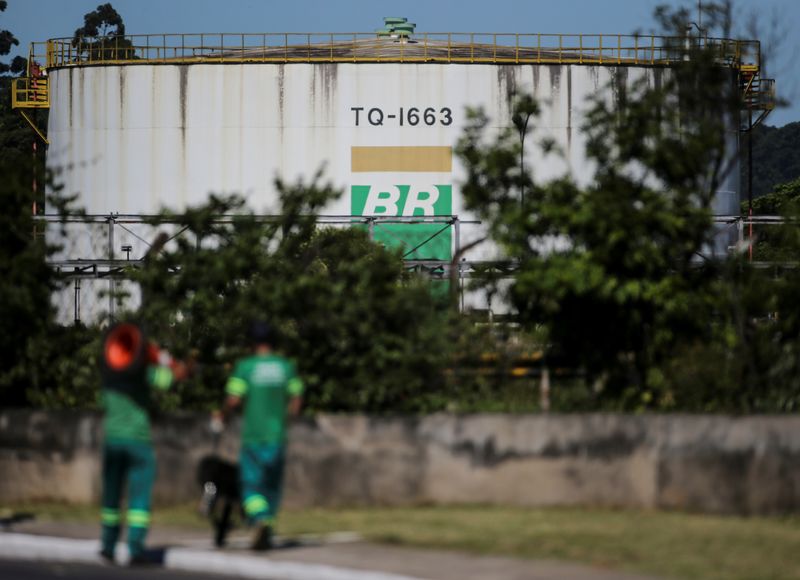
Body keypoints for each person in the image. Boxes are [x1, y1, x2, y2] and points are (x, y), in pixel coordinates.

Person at [99, 321, 189, 564]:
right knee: (139, 499)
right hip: (138, 441)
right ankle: (135, 548)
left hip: (112, 440)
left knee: (111, 496)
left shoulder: (108, 376)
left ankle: (108, 545)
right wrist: (167, 361)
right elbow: (174, 377)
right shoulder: (144, 375)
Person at [213, 320, 304, 550]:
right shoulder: (285, 366)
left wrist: (223, 415)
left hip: (254, 437)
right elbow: (296, 398)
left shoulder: (245, 367)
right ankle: (267, 532)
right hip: (277, 437)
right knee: (271, 489)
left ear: (252, 343)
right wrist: (288, 418)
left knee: (251, 487)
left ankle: (260, 519)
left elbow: (233, 399)